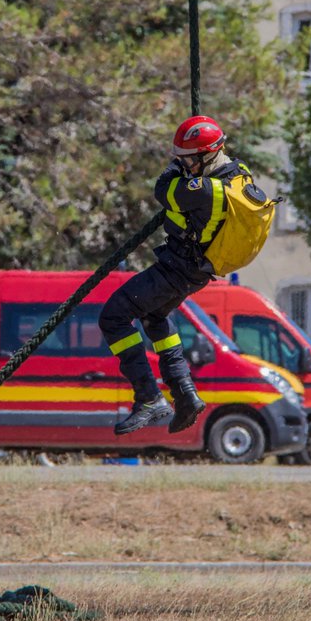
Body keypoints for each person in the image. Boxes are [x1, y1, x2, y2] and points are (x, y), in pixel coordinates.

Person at [99, 115, 252, 435]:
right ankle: (185, 394)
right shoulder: (239, 173)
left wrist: (177, 171)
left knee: (113, 317)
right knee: (155, 317)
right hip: (196, 269)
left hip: (179, 268)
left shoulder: (205, 190)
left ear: (208, 155)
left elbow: (163, 189)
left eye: (186, 159)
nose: (182, 164)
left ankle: (148, 397)